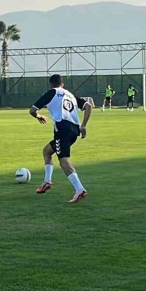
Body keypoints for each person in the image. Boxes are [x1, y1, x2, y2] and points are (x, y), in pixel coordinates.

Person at [29, 74, 93, 204]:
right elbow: (89, 106)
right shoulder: (70, 95)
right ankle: (47, 182)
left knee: (63, 159)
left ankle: (80, 189)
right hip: (74, 130)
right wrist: (84, 126)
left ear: (51, 84)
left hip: (62, 129)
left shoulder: (51, 93)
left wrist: (38, 116)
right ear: (62, 84)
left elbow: (32, 110)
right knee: (47, 151)